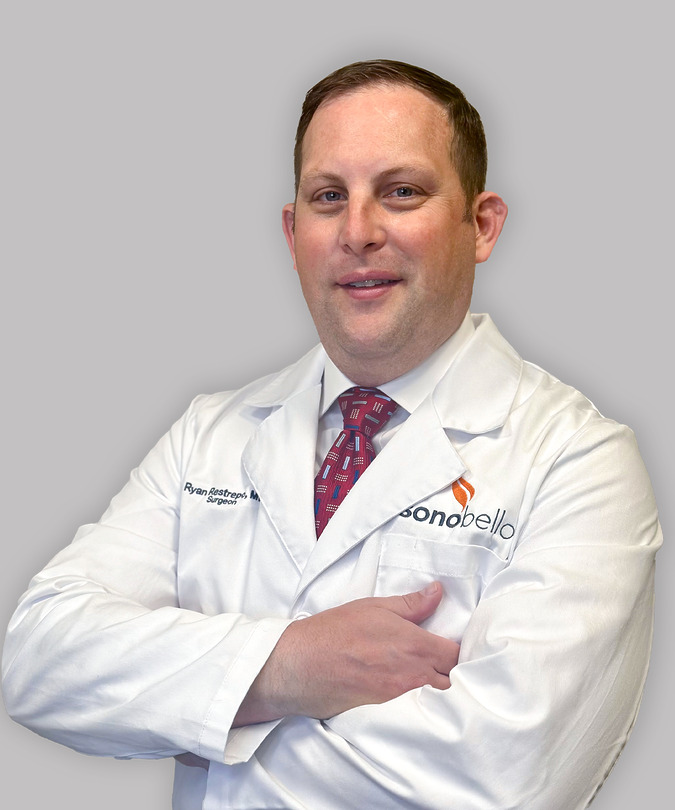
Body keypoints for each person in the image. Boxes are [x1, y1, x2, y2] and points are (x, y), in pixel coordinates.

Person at [2, 59, 662, 810]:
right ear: (292, 231)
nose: (357, 232)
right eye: (327, 198)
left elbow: (502, 776)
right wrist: (291, 665)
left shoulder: (578, 462)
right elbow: (39, 660)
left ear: (479, 225)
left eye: (401, 192)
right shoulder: (207, 435)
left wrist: (195, 708)